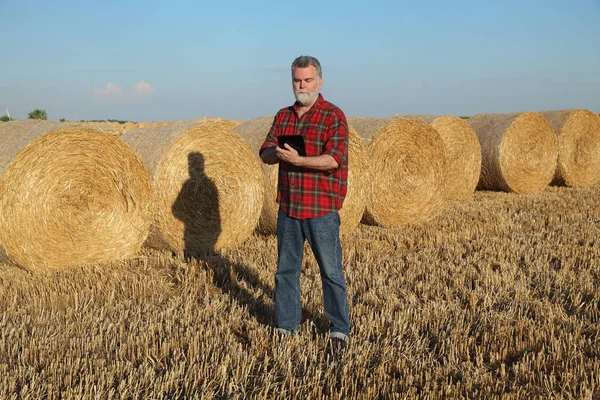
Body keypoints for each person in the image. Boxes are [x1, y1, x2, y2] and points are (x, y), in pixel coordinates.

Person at [259, 55, 350, 351]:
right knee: (285, 271)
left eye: (308, 80)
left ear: (319, 81)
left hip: (320, 208)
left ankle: (339, 329)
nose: (302, 85)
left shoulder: (332, 116)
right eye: (297, 80)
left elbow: (333, 159)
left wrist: (299, 160)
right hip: (288, 208)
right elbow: (264, 153)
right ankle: (286, 326)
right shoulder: (283, 116)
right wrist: (278, 153)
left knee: (331, 271)